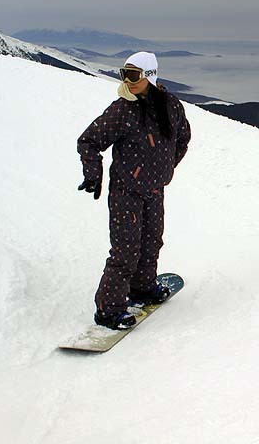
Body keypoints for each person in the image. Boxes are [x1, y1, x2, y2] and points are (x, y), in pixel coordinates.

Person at [77, 51, 191, 330]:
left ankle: (142, 288)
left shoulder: (171, 106)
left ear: (150, 76)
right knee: (125, 251)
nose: (127, 81)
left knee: (152, 243)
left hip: (155, 189)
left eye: (133, 75)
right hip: (126, 191)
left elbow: (183, 137)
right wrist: (93, 173)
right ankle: (108, 309)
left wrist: (165, 168)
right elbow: (89, 141)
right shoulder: (123, 109)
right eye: (123, 74)